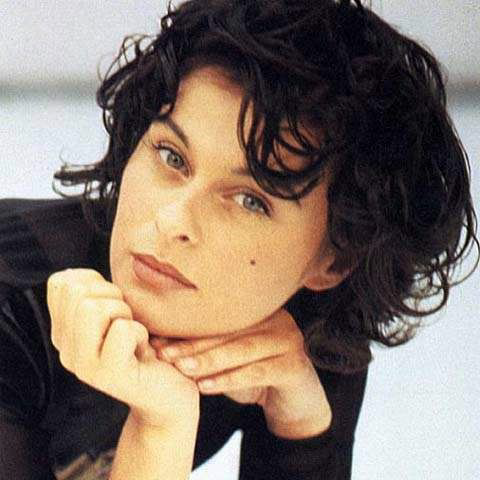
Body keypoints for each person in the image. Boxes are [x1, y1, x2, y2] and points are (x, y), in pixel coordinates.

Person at [0, 0, 477, 478]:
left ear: (332, 262)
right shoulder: (11, 308)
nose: (172, 220)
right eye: (171, 156)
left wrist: (302, 433)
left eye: (250, 200)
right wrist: (159, 429)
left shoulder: (301, 340)